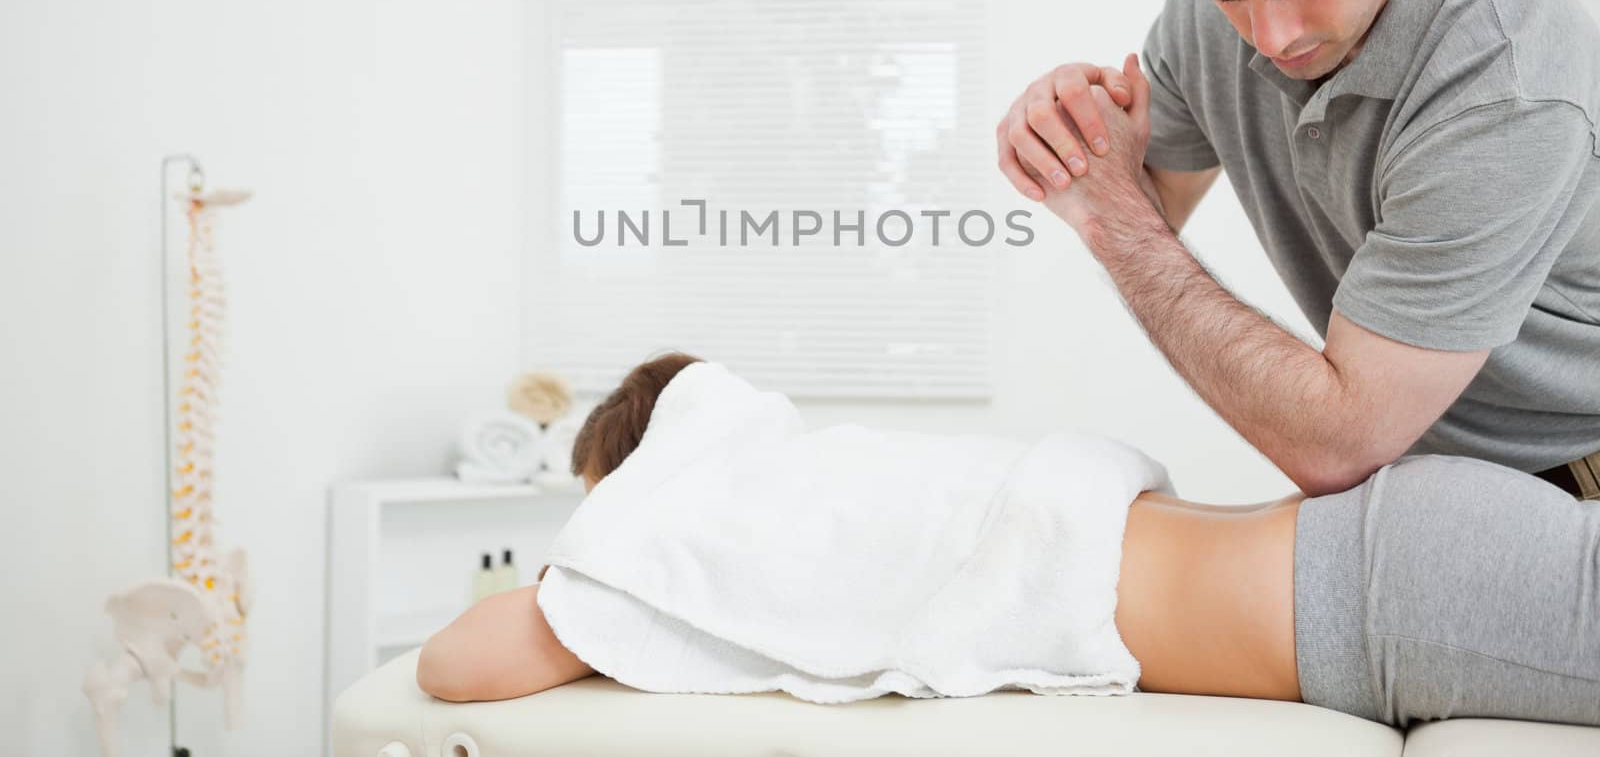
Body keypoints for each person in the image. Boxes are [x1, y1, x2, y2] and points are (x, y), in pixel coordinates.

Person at [994, 0, 1600, 500]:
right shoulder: (1212, 2)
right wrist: (1075, 144)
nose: (1269, 36)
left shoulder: (1503, 86)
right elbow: (1150, 207)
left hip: (1575, 478)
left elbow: (1337, 441)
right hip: (1422, 475)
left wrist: (1112, 213)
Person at [416, 353, 1600, 730]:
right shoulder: (842, 488)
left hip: (1397, 592)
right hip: (1396, 556)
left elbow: (453, 666)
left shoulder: (710, 518)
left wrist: (589, 539)